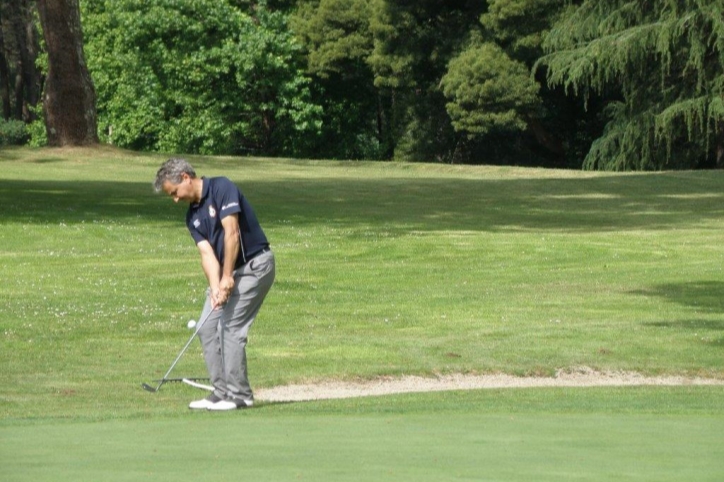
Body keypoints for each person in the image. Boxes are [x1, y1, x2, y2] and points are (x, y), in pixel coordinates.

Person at [153, 158, 275, 410]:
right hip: (227, 273)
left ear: (185, 178)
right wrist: (216, 285)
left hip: (255, 267)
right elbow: (207, 254)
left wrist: (227, 276)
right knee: (206, 327)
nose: (175, 199)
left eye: (174, 193)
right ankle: (221, 391)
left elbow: (232, 233)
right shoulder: (192, 217)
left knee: (230, 327)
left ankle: (240, 395)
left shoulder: (222, 188)